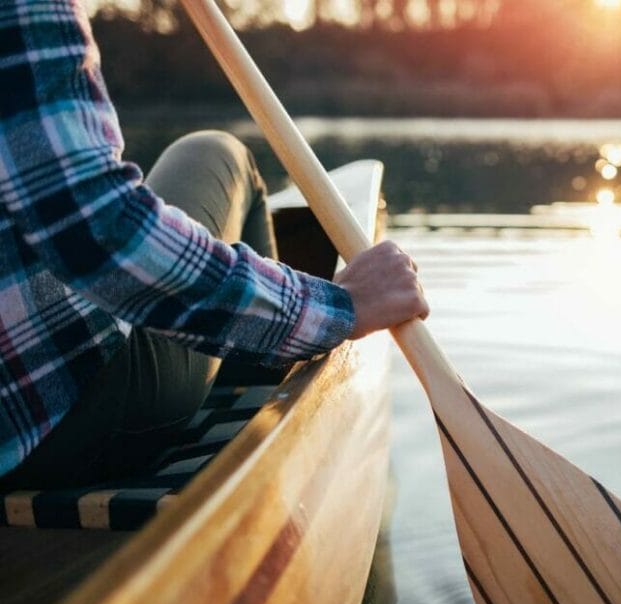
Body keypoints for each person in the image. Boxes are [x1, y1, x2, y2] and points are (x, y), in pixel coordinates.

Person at [0, 1, 428, 488]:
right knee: (215, 152)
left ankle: (253, 349)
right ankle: (270, 383)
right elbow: (98, 232)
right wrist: (338, 308)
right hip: (56, 418)